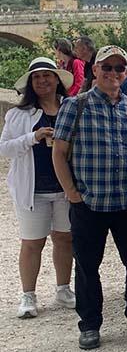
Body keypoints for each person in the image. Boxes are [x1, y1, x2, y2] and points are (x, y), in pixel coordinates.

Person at [51, 45, 127, 349]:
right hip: (90, 202)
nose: (114, 73)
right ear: (95, 70)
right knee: (87, 267)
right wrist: (72, 194)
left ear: (126, 73)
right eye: (108, 67)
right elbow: (59, 154)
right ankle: (89, 325)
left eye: (119, 68)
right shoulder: (76, 106)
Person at [1, 58, 76, 318]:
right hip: (33, 189)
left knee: (65, 239)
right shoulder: (18, 115)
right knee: (33, 242)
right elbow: (5, 148)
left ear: (57, 79)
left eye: (47, 75)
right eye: (37, 77)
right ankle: (28, 295)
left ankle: (64, 288)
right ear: (31, 83)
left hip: (65, 186)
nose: (43, 80)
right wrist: (33, 137)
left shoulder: (71, 107)